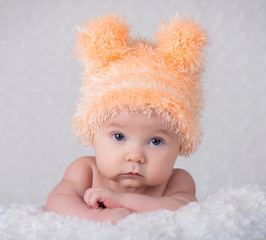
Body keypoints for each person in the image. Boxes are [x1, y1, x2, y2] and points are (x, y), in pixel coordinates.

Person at [45, 13, 208, 224]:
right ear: (92, 134)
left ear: (180, 146)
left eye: (155, 141)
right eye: (119, 136)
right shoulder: (85, 170)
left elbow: (183, 208)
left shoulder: (176, 181)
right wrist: (96, 215)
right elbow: (57, 201)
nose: (135, 156)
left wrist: (122, 200)